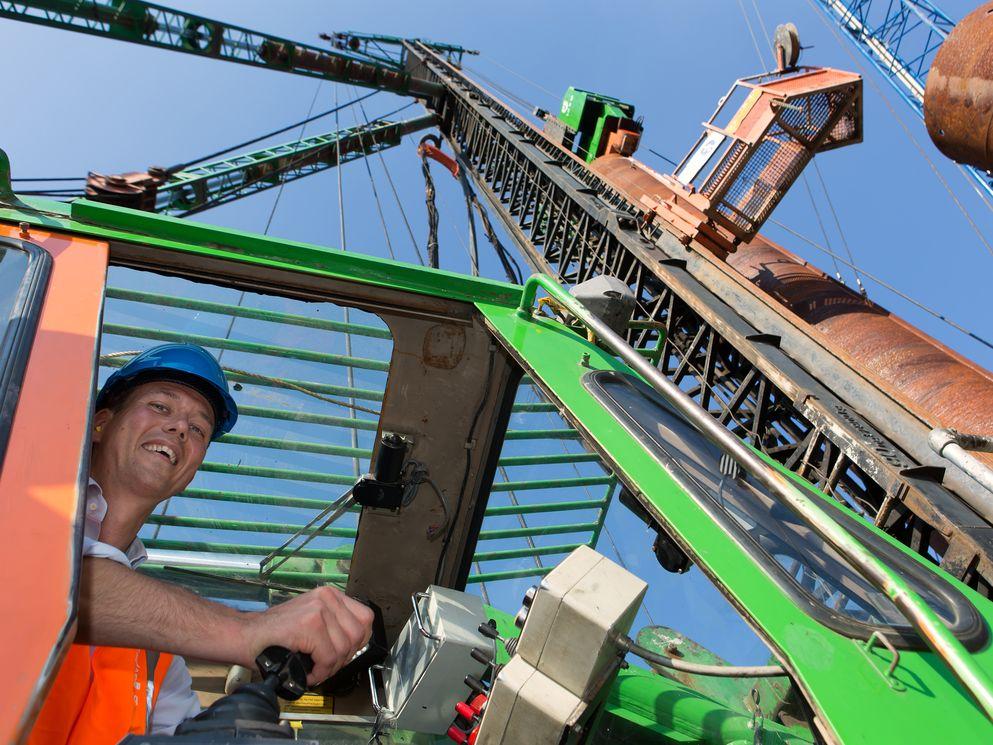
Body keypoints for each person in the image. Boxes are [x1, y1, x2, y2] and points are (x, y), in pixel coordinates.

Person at [29, 344, 374, 742]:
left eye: (198, 429)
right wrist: (250, 631)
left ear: (190, 471)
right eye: (160, 406)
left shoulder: (158, 655)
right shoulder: (24, 501)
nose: (179, 428)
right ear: (100, 424)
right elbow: (50, 582)